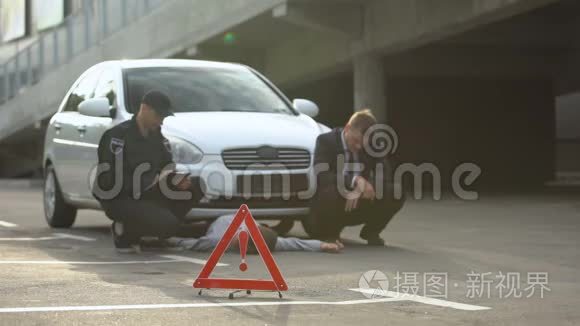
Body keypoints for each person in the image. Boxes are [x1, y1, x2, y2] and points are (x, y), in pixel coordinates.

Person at [92, 90, 200, 253]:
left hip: (149, 192)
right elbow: (108, 178)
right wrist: (147, 183)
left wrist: (174, 179)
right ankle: (125, 233)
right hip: (120, 196)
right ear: (145, 109)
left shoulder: (158, 137)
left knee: (196, 186)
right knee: (168, 223)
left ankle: (153, 235)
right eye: (159, 116)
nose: (161, 122)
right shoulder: (117, 137)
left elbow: (167, 164)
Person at [308, 109, 405, 246]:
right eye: (356, 141)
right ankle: (329, 234)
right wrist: (355, 181)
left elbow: (384, 174)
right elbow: (323, 175)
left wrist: (363, 186)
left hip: (359, 202)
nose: (359, 147)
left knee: (395, 191)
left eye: (363, 144)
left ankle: (371, 231)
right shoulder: (326, 141)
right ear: (347, 128)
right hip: (332, 204)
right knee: (329, 190)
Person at [169, 214, 343, 253]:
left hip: (248, 221)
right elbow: (191, 243)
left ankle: (273, 228)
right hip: (215, 222)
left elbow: (296, 243)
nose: (239, 243)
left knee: (280, 239)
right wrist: (166, 239)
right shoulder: (219, 239)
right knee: (186, 228)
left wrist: (323, 245)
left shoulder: (268, 243)